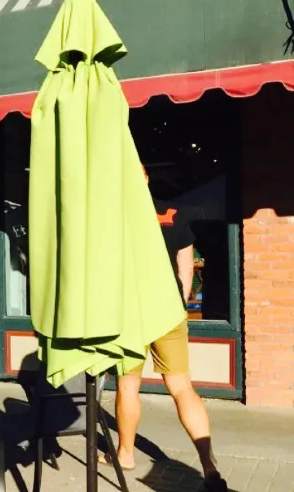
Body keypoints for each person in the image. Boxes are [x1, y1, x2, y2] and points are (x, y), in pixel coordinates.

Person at [103, 166, 226, 491]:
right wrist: (179, 304)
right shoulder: (173, 214)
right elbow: (186, 268)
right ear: (146, 179)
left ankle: (126, 454)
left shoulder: (113, 218)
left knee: (128, 385)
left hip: (130, 312)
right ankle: (209, 466)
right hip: (168, 310)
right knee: (182, 387)